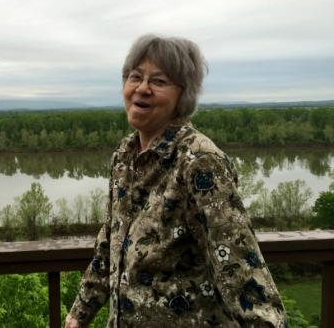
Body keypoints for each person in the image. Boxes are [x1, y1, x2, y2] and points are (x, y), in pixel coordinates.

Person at [65, 34, 286, 327]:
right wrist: (81, 312)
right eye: (135, 77)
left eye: (159, 81)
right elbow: (111, 240)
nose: (142, 89)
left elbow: (238, 264)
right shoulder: (124, 155)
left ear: (183, 95)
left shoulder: (199, 161)